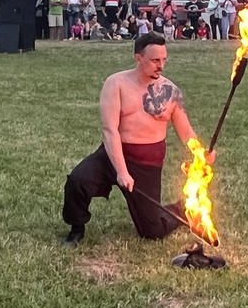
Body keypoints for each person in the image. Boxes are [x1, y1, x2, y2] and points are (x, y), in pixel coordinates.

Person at [60, 32, 213, 246]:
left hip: (147, 163)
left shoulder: (170, 91)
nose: (160, 65)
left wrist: (200, 153)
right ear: (138, 58)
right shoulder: (116, 84)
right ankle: (76, 228)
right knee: (78, 180)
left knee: (153, 231)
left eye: (163, 60)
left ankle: (183, 208)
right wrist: (121, 171)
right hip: (112, 154)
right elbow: (109, 130)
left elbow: (185, 130)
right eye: (154, 60)